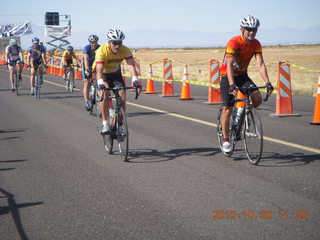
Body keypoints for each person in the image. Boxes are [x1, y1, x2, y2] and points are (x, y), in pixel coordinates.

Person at [219, 15, 274, 153]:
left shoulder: (256, 44)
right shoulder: (234, 42)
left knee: (257, 98)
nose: (252, 32)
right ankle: (226, 139)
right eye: (249, 29)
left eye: (254, 30)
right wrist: (231, 85)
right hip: (228, 75)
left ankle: (243, 112)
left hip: (243, 75)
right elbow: (230, 66)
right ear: (242, 29)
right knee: (228, 108)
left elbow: (260, 64)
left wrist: (267, 82)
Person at [95, 28, 141, 134]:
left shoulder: (125, 50)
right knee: (105, 94)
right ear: (109, 42)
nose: (117, 46)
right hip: (103, 74)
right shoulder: (101, 51)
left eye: (119, 43)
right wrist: (100, 83)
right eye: (114, 43)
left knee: (122, 96)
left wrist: (135, 80)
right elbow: (99, 70)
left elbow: (131, 66)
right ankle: (105, 122)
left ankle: (119, 123)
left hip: (115, 74)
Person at [82, 35, 100, 110]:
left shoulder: (100, 47)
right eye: (92, 43)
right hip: (88, 65)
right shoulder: (86, 48)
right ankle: (86, 101)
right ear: (89, 43)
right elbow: (86, 59)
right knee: (86, 81)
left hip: (96, 64)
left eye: (95, 42)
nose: (94, 44)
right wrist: (87, 68)